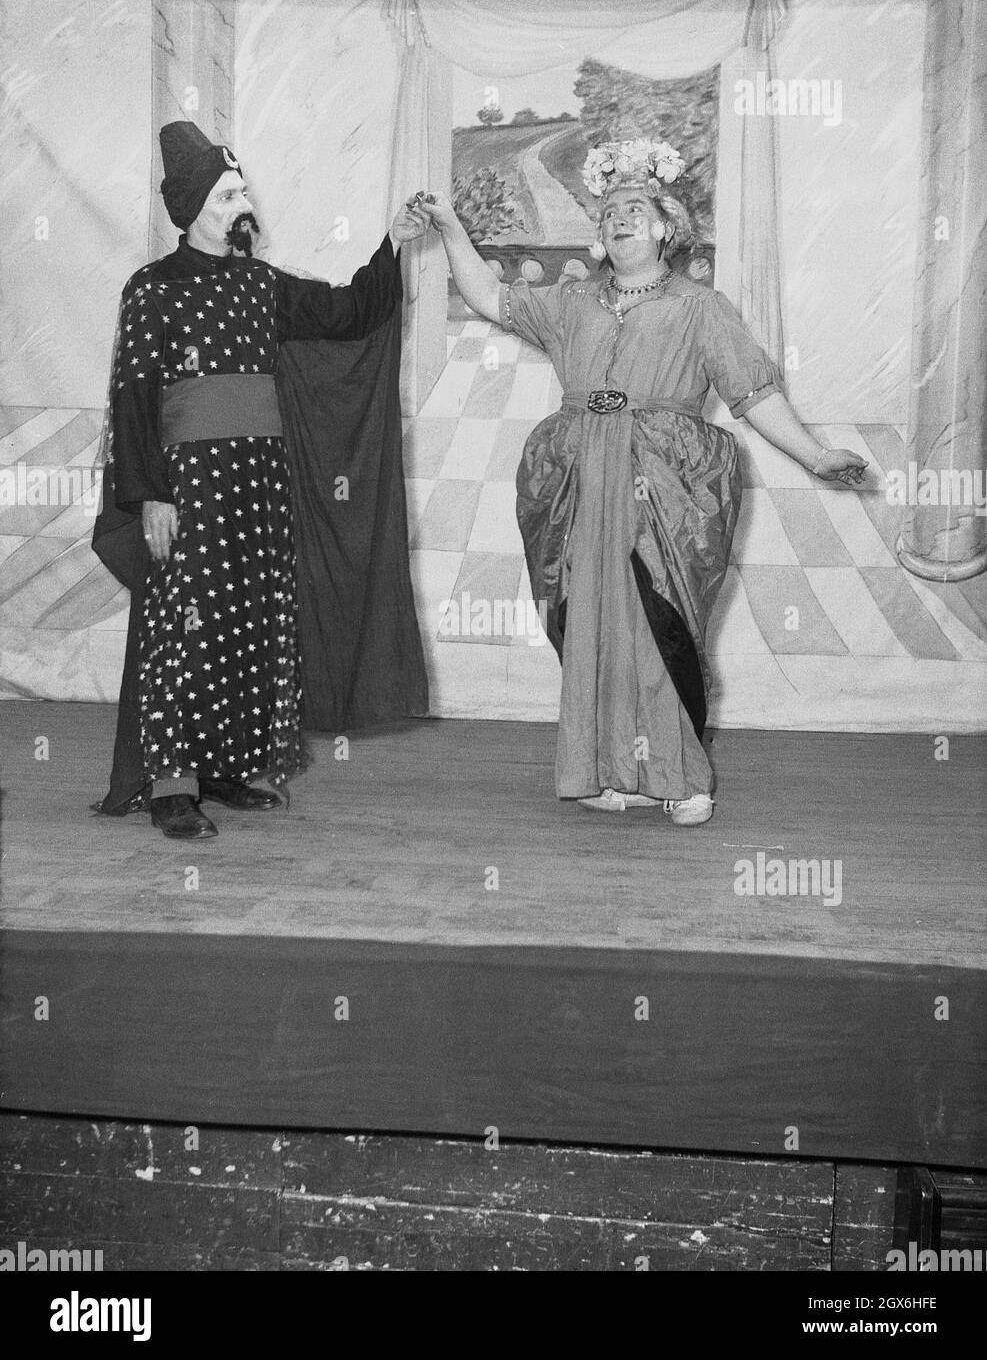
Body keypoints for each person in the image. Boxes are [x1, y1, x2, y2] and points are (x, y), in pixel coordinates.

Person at [419, 138, 866, 825]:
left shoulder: (699, 308)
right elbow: (484, 294)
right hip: (578, 476)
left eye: (633, 209)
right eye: (606, 215)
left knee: (657, 621)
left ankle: (680, 778)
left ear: (664, 226)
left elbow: (752, 393)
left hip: (660, 483)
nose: (618, 220)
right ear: (598, 238)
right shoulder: (570, 303)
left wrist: (813, 456)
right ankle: (608, 771)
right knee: (588, 619)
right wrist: (451, 228)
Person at [92, 121, 428, 839]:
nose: (240, 202)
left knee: (248, 626)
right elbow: (132, 396)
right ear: (190, 210)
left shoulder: (259, 284)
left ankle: (228, 766)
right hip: (187, 486)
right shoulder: (151, 289)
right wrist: (148, 493)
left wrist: (393, 240)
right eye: (225, 192)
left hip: (258, 486)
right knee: (182, 628)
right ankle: (173, 781)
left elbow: (348, 312)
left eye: (241, 189)